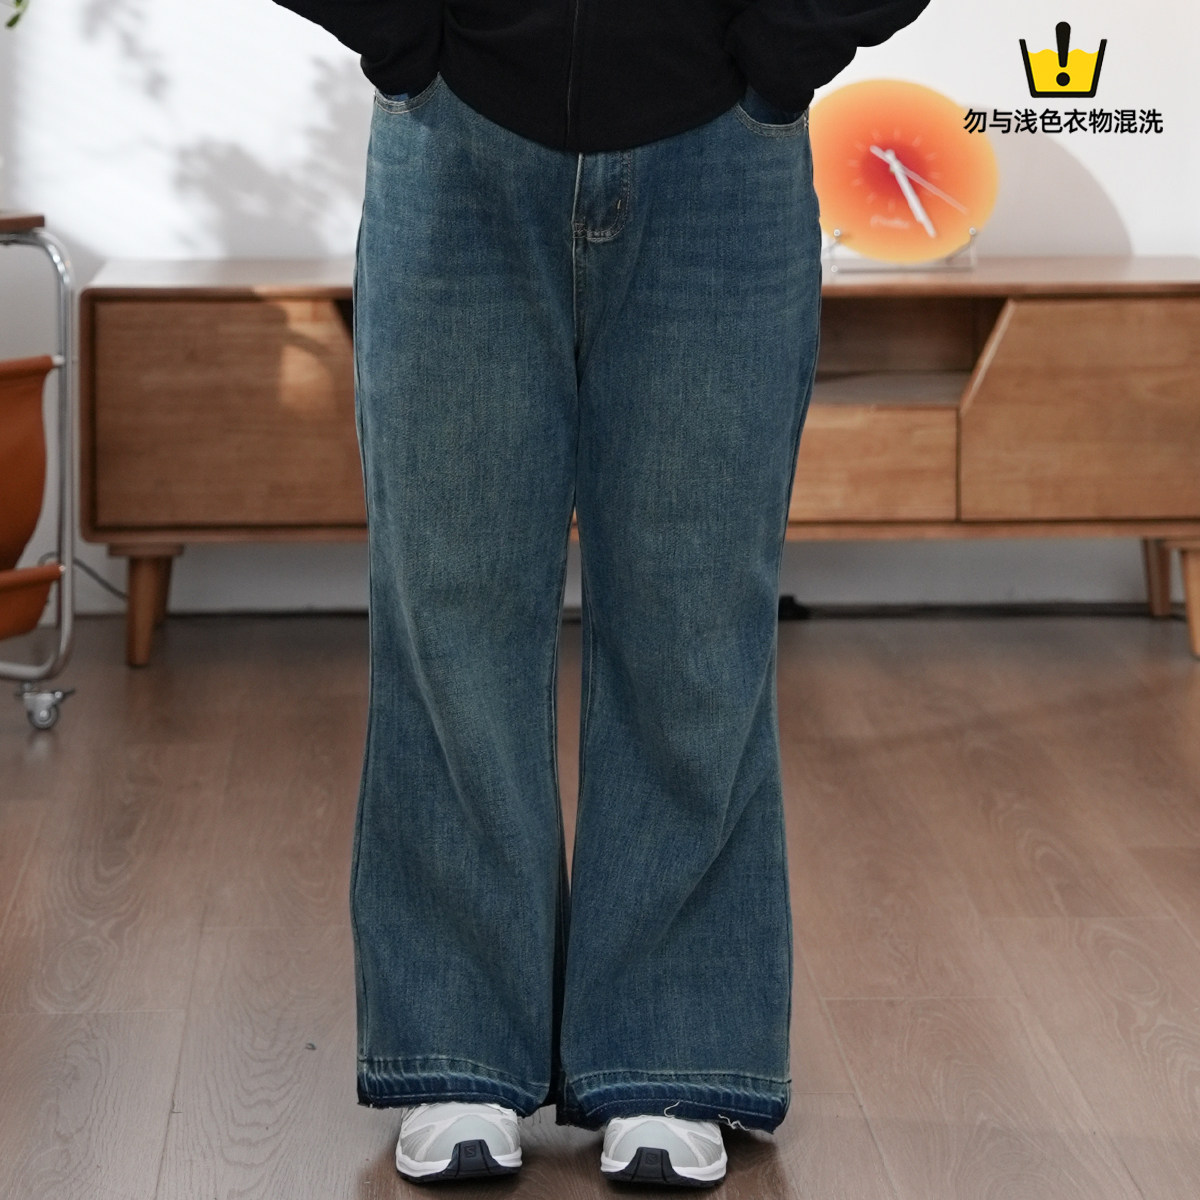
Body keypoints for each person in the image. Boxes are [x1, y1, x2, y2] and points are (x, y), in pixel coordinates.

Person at [273, 0, 930, 1186]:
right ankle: (458, 1052)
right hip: (457, 137)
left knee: (697, 623)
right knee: (449, 614)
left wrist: (786, 47)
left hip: (722, 148)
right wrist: (401, 32)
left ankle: (674, 1051)